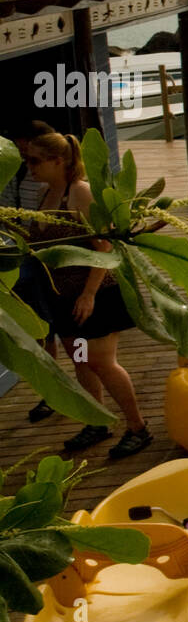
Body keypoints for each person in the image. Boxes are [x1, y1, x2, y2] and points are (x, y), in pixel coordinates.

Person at [23, 132, 151, 458]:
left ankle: (137, 426)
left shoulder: (80, 194)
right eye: (27, 160)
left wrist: (89, 294)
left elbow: (104, 246)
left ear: (58, 161)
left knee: (103, 363)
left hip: (95, 297)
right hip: (63, 299)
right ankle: (98, 421)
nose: (29, 167)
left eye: (35, 160)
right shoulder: (45, 195)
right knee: (81, 361)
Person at [4, 119, 58, 420]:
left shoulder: (51, 179)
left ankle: (67, 392)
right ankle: (51, 392)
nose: (22, 149)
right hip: (21, 256)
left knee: (63, 337)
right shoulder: (20, 169)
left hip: (42, 260)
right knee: (41, 331)